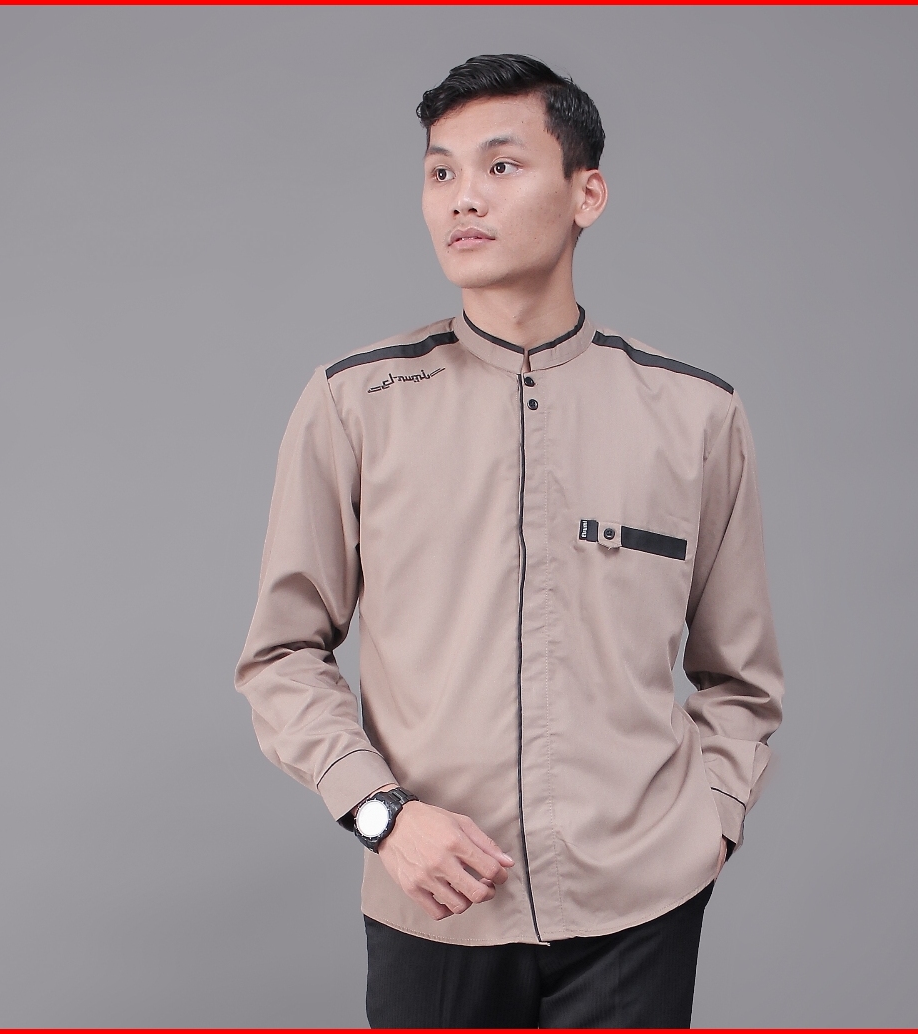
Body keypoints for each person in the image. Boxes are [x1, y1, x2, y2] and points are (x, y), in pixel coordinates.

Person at [235, 53, 784, 1029]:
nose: (462, 197)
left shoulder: (695, 415)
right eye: (439, 172)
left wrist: (708, 827)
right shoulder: (355, 403)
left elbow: (740, 679)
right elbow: (280, 654)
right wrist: (382, 815)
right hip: (435, 908)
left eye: (500, 165)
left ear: (586, 194)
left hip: (640, 910)